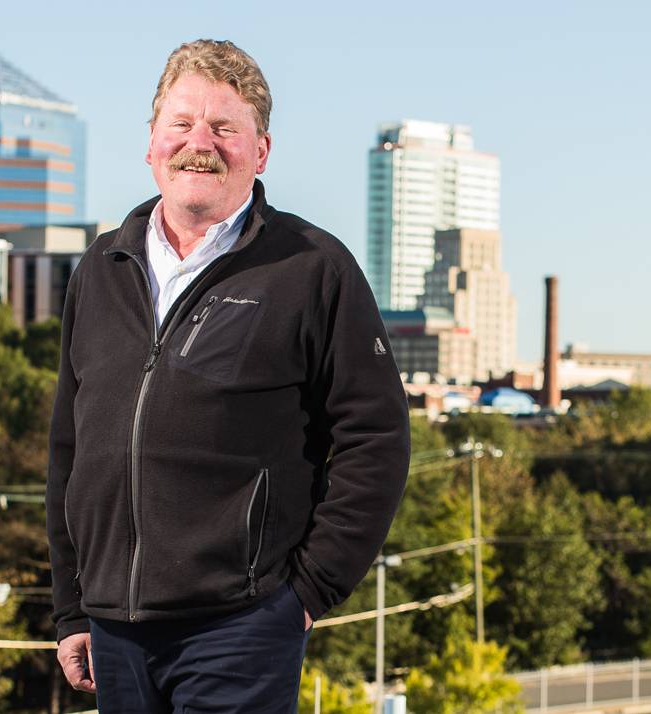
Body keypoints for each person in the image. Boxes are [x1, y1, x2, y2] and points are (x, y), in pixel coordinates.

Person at [46, 38, 410, 713]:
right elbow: (70, 450)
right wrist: (71, 606)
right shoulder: (101, 269)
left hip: (239, 626)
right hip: (112, 632)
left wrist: (306, 594)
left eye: (224, 127)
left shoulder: (310, 269)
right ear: (152, 142)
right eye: (181, 124)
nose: (199, 143)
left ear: (260, 151)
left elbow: (377, 440)